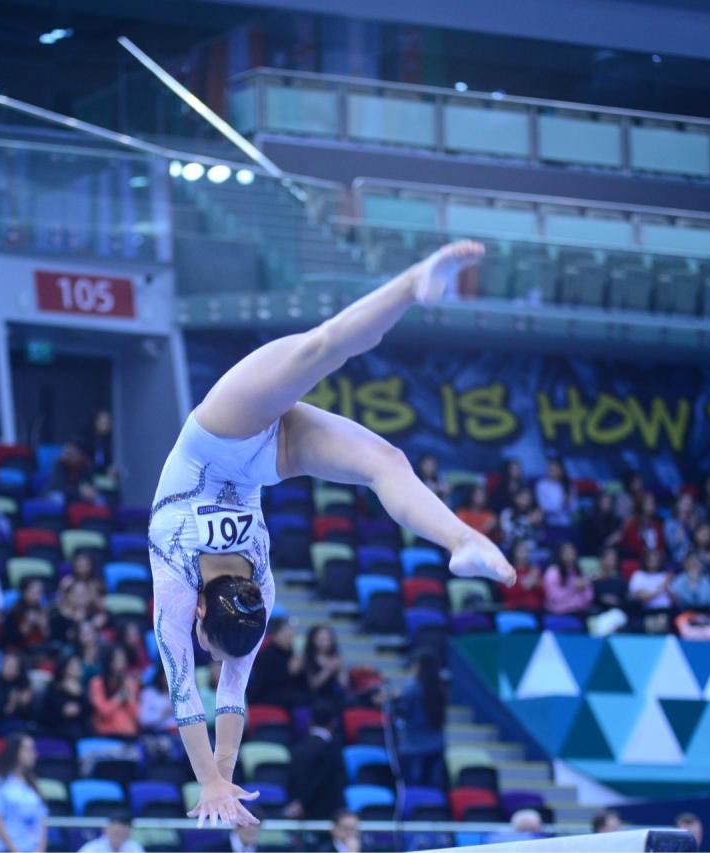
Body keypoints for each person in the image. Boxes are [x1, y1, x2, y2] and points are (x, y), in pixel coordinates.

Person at [147, 242, 512, 828]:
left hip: (217, 437)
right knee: (384, 460)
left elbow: (194, 694)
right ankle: (460, 540)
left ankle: (413, 282)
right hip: (264, 457)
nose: (214, 661)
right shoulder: (251, 601)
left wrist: (216, 779)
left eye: (209, 651)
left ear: (197, 618)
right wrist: (216, 778)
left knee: (323, 350)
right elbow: (216, 691)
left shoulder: (178, 577)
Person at [284, 701, 346, 821]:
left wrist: (299, 803)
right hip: (328, 815)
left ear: (310, 721)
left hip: (301, 813)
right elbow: (336, 780)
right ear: (334, 723)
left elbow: (291, 780)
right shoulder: (332, 748)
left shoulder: (297, 748)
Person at [0, 733, 47, 853]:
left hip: (31, 848)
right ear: (15, 752)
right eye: (28, 750)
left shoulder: (32, 784)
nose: (34, 754)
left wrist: (40, 849)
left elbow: (41, 820)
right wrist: (14, 850)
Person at [395, 652, 446, 789]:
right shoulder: (440, 689)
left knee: (415, 788)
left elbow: (402, 712)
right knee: (432, 788)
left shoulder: (413, 689)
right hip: (436, 745)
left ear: (419, 667)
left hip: (413, 747)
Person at [248, 617, 309, 709]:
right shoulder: (266, 654)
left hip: (290, 694)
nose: (290, 639)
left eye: (292, 636)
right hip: (268, 694)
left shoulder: (295, 653)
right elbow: (265, 680)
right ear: (275, 635)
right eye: (287, 636)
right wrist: (289, 671)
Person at [89, 645, 140, 738]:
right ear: (109, 661)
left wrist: (130, 698)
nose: (122, 662)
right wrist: (118, 698)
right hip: (107, 734)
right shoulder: (97, 683)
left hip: (129, 733)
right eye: (118, 659)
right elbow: (103, 711)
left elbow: (136, 714)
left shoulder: (130, 683)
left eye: (123, 658)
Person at [40, 653, 89, 741]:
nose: (77, 669)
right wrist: (63, 711)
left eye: (78, 666)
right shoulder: (54, 688)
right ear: (65, 668)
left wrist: (79, 695)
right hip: (56, 728)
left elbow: (89, 713)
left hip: (79, 729)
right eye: (73, 666)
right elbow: (45, 714)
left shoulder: (82, 689)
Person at [0, 651, 37, 735]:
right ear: (1, 666)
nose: (11, 669)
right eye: (8, 665)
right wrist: (11, 703)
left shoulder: (23, 686)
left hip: (21, 722)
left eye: (15, 666)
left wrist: (26, 704)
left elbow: (29, 716)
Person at [304, 625, 348, 711]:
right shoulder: (307, 658)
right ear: (313, 640)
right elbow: (313, 685)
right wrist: (328, 669)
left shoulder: (335, 657)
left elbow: (344, 684)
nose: (325, 643)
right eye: (321, 639)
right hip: (313, 697)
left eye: (328, 640)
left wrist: (340, 669)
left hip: (333, 696)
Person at [543, 542, 593, 615]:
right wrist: (573, 587)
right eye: (567, 553)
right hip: (558, 611)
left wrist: (583, 589)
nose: (570, 555)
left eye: (572, 552)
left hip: (580, 610)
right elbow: (553, 596)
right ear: (560, 555)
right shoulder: (552, 572)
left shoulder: (580, 572)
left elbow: (589, 595)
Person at [79, 810, 144, 853]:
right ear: (105, 830)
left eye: (124, 835)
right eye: (116, 833)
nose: (119, 839)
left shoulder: (134, 848)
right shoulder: (91, 849)